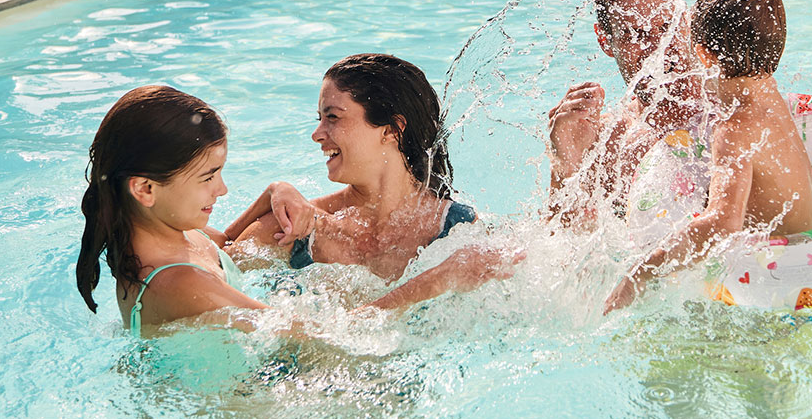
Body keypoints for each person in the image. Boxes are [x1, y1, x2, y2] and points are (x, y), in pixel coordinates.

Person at [605, 0, 812, 311]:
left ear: (703, 53)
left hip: (780, 295)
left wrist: (644, 271)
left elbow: (723, 223)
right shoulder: (770, 97)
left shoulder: (732, 130)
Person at [224, 53, 519, 309]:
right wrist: (272, 191)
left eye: (333, 117)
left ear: (392, 130)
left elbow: (551, 276)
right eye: (320, 119)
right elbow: (203, 280)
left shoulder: (457, 229)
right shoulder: (295, 227)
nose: (317, 134)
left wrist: (563, 163)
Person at [75, 84, 270, 335]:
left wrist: (271, 195)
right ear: (145, 189)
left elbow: (232, 249)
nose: (222, 189)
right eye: (208, 178)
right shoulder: (180, 283)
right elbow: (295, 330)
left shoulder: (181, 233)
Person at [545, 0, 707, 225]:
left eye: (668, 27)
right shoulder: (605, 143)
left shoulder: (734, 113)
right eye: (637, 34)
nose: (659, 48)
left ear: (688, 20)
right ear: (604, 41)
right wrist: (566, 165)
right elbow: (558, 253)